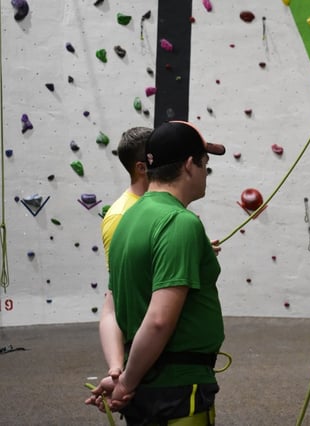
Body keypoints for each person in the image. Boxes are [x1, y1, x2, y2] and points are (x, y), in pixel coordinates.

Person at [87, 120, 227, 425]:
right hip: (176, 390)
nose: (206, 173)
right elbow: (159, 320)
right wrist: (125, 383)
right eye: (205, 164)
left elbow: (110, 309)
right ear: (190, 165)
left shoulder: (127, 218)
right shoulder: (180, 222)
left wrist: (119, 371)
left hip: (146, 385)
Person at [99, 126, 152, 381]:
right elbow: (116, 294)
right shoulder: (120, 216)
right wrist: (117, 367)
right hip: (144, 341)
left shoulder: (157, 205)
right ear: (142, 167)